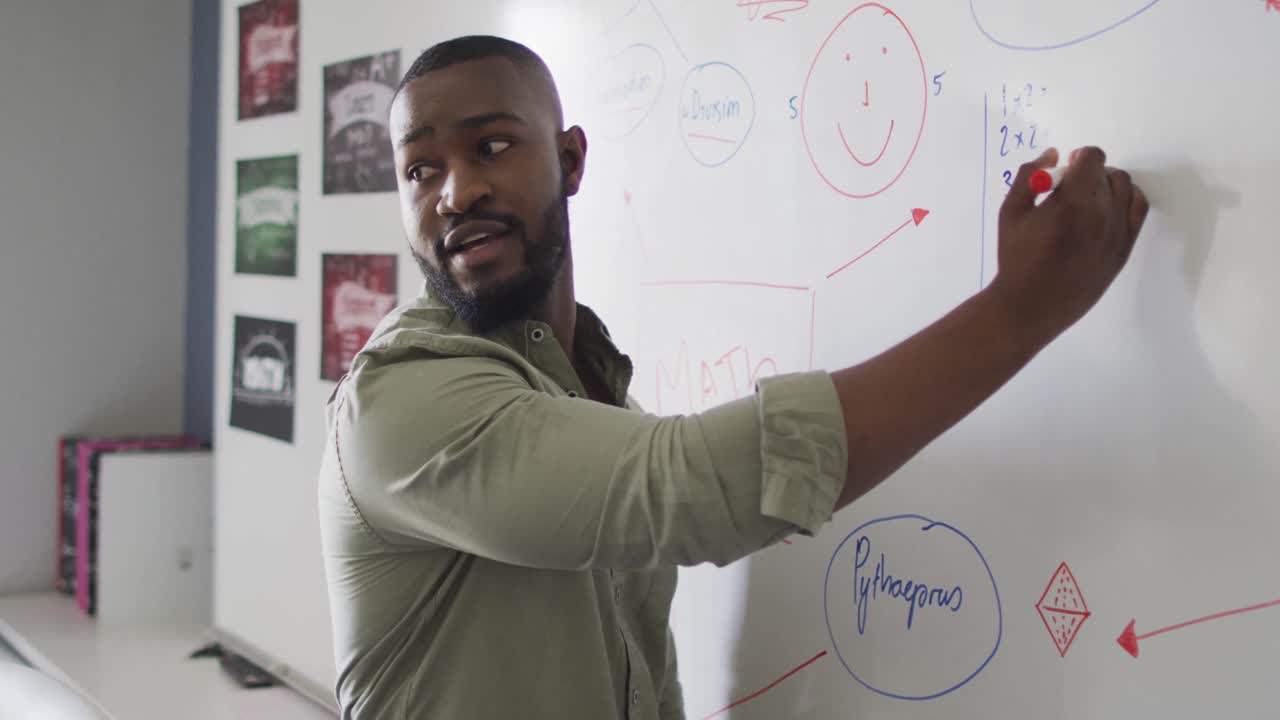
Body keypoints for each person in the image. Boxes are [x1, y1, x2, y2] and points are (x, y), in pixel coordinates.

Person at [318, 35, 1148, 719]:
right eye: (420, 171)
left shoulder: (593, 390)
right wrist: (1019, 313)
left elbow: (643, 670)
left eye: (492, 146)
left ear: (571, 161)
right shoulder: (399, 400)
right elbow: (691, 487)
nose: (456, 191)